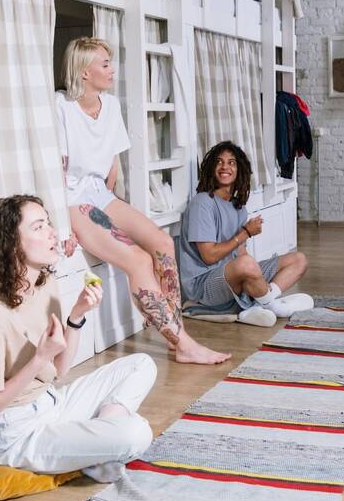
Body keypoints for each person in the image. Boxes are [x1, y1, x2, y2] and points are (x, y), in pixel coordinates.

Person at [0, 195, 157, 483]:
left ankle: (95, 449)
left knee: (141, 364)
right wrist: (39, 358)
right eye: (38, 227)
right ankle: (97, 446)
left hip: (52, 404)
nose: (52, 232)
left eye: (48, 223)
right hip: (14, 434)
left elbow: (59, 369)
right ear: (10, 244)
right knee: (136, 432)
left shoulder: (44, 285)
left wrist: (77, 315)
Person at [56, 37, 229, 364]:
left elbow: (111, 164)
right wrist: (65, 226)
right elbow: (57, 171)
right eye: (104, 64)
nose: (112, 69)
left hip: (100, 193)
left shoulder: (110, 105)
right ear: (84, 72)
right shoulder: (61, 107)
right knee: (137, 260)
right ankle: (185, 345)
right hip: (72, 199)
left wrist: (110, 208)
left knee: (163, 243)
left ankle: (176, 335)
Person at [179, 141, 313, 326]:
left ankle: (261, 302)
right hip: (203, 286)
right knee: (247, 265)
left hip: (232, 275)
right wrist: (245, 233)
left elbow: (241, 253)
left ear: (239, 170)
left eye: (231, 162)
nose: (224, 166)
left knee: (298, 260)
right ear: (211, 168)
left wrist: (255, 277)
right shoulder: (202, 203)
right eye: (219, 162)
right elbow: (209, 256)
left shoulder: (238, 208)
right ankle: (273, 306)